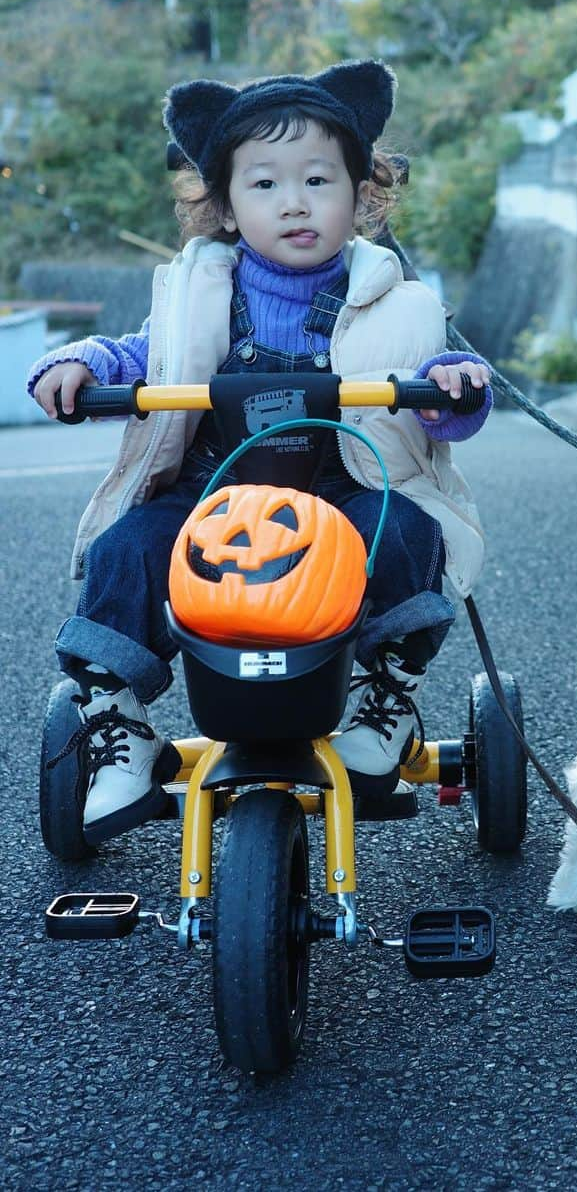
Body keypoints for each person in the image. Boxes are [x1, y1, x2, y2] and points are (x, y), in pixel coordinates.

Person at [27, 59, 492, 842]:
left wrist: (453, 385)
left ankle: (386, 700)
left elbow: (438, 400)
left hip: (343, 491)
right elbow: (146, 357)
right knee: (127, 548)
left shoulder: (400, 303)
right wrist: (83, 366)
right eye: (266, 185)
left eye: (319, 180)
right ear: (228, 207)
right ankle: (118, 726)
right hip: (214, 498)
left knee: (409, 532)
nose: (296, 202)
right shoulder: (196, 294)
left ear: (361, 196)